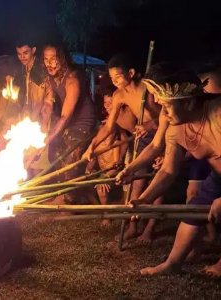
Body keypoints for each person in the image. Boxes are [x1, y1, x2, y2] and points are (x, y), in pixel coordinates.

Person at [128, 67, 221, 277]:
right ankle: (172, 263)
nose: (163, 114)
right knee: (193, 211)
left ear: (187, 102)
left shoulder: (218, 114)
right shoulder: (175, 127)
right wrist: (144, 199)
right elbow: (168, 170)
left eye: (167, 107)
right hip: (218, 175)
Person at [84, 54, 161, 239]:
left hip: (161, 134)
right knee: (137, 180)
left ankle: (149, 228)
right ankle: (133, 225)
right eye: (112, 78)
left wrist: (149, 125)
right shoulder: (119, 95)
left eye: (118, 77)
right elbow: (109, 127)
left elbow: (167, 117)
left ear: (131, 73)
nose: (115, 81)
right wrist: (92, 146)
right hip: (142, 138)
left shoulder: (148, 88)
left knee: (158, 181)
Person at [42, 44, 97, 204]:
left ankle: (68, 200)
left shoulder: (72, 79)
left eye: (53, 59)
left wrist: (46, 140)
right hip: (67, 123)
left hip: (82, 123)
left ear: (62, 58)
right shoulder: (50, 78)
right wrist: (44, 130)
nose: (49, 63)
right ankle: (68, 195)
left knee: (71, 158)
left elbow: (65, 116)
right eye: (46, 59)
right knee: (54, 154)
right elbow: (47, 104)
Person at [86, 87, 128, 226]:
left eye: (111, 102)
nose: (108, 106)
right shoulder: (101, 133)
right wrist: (89, 170)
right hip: (103, 171)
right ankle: (103, 209)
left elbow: (117, 163)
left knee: (101, 187)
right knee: (86, 185)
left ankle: (108, 214)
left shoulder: (118, 134)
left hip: (113, 170)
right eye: (105, 103)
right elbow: (92, 160)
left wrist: (105, 177)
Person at [14, 40, 53, 175]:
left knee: (37, 161)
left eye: (25, 53)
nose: (22, 57)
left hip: (41, 119)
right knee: (27, 159)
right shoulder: (25, 68)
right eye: (19, 54)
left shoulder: (39, 69)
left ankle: (38, 193)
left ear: (34, 50)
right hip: (29, 118)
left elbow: (39, 102)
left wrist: (34, 124)